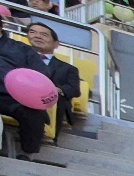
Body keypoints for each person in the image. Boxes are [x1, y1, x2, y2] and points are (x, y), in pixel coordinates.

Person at [0, 23, 82, 161]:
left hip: (16, 96)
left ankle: (27, 153)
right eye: (33, 32)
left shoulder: (22, 49)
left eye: (43, 34)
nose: (37, 36)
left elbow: (70, 87)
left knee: (33, 111)